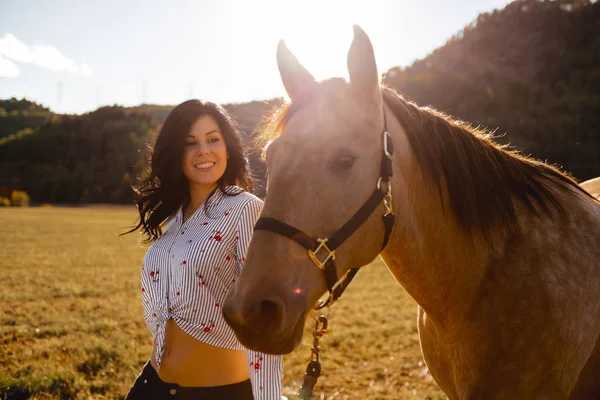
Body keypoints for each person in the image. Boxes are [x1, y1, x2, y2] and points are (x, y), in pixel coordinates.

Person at [125, 99, 283, 399]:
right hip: (152, 386)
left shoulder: (245, 209)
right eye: (190, 143)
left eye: (213, 139)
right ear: (176, 153)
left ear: (228, 147)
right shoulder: (175, 218)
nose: (204, 150)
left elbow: (265, 321)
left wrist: (268, 397)